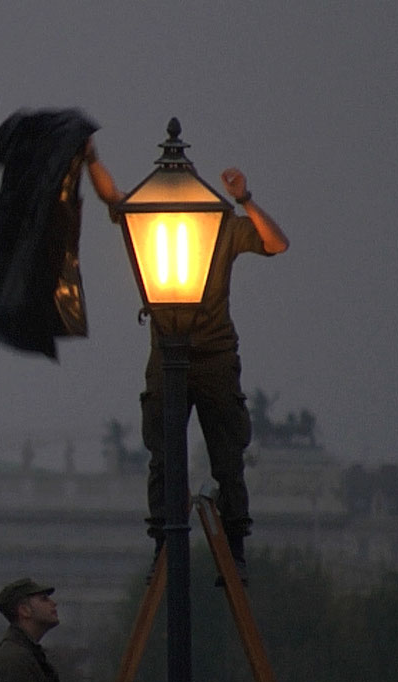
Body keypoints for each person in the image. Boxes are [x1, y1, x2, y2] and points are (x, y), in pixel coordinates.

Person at [85, 138, 290, 577]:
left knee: (227, 458)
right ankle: (165, 544)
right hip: (170, 355)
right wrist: (92, 159)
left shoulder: (220, 224)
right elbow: (111, 195)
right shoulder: (155, 218)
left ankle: (233, 548)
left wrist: (245, 199)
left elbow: (276, 243)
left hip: (214, 357)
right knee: (163, 457)